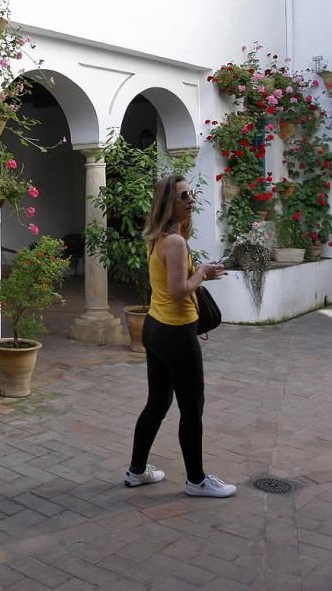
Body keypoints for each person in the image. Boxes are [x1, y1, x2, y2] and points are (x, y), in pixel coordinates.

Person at [125, 174, 235, 498]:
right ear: (169, 203)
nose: (190, 200)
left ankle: (136, 471)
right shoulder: (175, 242)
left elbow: (173, 283)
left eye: (191, 194)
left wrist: (199, 273)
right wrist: (200, 273)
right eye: (184, 196)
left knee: (157, 403)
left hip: (156, 328)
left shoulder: (160, 236)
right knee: (192, 407)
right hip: (175, 331)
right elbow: (177, 291)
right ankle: (197, 480)